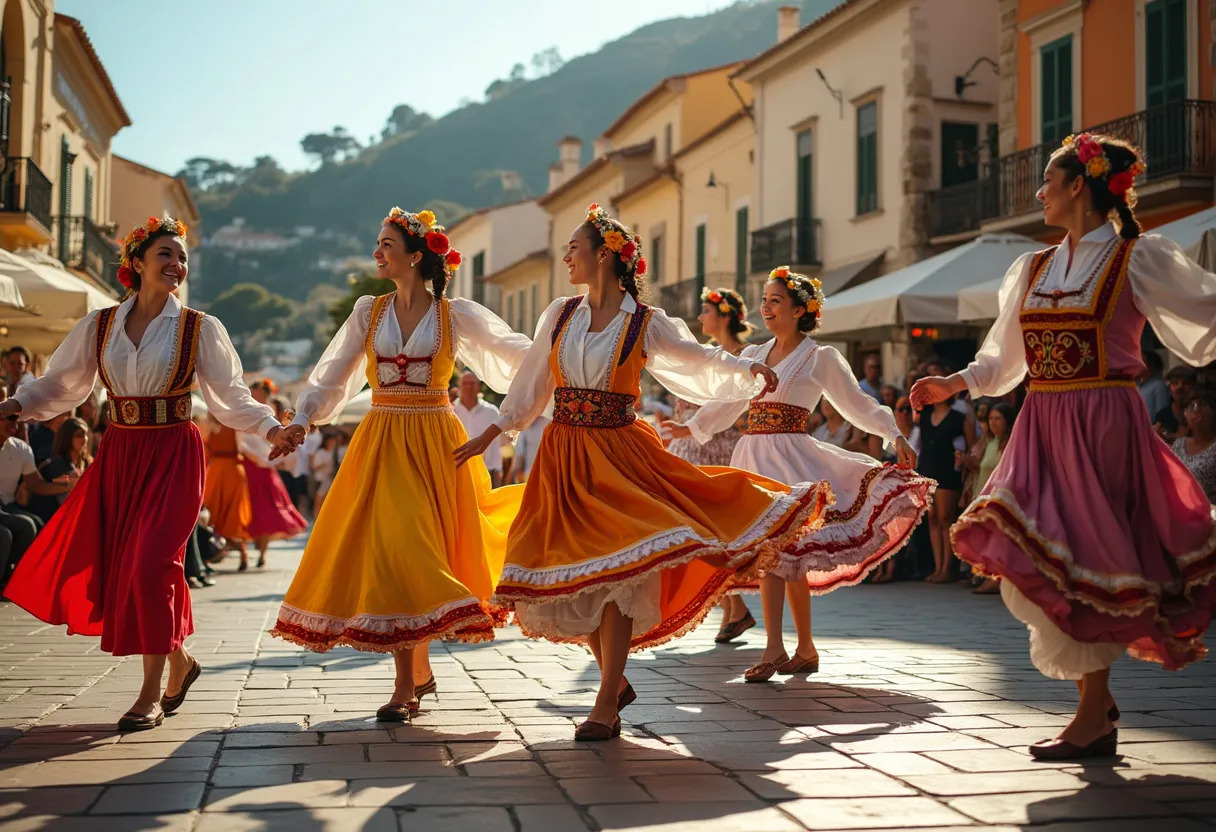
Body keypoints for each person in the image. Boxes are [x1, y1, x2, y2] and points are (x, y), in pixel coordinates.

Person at [454, 204, 833, 740]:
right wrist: (495, 431)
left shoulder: (644, 322)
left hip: (620, 453)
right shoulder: (560, 314)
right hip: (563, 456)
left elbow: (694, 359)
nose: (566, 256)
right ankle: (614, 679)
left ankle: (607, 696)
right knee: (562, 571)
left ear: (604, 256)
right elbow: (534, 380)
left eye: (575, 248)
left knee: (621, 572)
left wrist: (744, 369)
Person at [912, 134, 1216, 760]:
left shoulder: (1137, 258)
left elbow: (1204, 316)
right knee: (1039, 558)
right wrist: (955, 381)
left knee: (1085, 559)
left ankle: (1090, 713)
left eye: (1048, 180)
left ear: (1080, 184)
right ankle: (1094, 704)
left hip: (1104, 423)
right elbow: (1004, 358)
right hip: (1043, 422)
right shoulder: (1035, 268)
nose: (1039, 191)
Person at [1, 216, 299, 732]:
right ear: (136, 263)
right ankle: (180, 663)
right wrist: (15, 404)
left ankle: (150, 695)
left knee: (152, 564)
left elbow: (229, 397)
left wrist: (272, 429)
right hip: (120, 452)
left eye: (182, 257)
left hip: (174, 453)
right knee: (128, 566)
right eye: (166, 254)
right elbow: (61, 385)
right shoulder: (99, 325)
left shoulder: (199, 328)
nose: (177, 265)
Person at [270, 207, 532, 722]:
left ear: (416, 256)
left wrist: (559, 355)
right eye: (378, 242)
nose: (377, 251)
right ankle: (406, 683)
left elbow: (516, 356)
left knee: (420, 547)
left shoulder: (455, 315)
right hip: (383, 436)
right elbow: (335, 375)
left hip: (437, 439)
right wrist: (303, 419)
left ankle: (413, 676)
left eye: (386, 243)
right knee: (397, 548)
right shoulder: (368, 311)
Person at [667, 267, 931, 680]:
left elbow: (855, 402)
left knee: (784, 554)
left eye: (775, 301)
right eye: (765, 300)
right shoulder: (753, 355)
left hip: (791, 456)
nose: (766, 307)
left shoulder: (819, 357)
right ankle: (793, 648)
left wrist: (892, 433)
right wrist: (693, 427)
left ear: (798, 310)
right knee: (773, 554)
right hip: (753, 455)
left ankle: (787, 648)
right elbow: (729, 401)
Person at [664, 287, 754, 644]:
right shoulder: (709, 356)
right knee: (704, 530)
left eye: (705, 311)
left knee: (717, 530)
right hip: (693, 446)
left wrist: (690, 423)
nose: (700, 317)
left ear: (725, 315)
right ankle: (733, 607)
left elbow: (730, 405)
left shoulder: (743, 356)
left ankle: (736, 607)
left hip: (719, 447)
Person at [240, 380, 308, 567]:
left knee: (266, 512)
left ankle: (262, 553)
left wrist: (272, 458)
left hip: (265, 470)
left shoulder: (271, 414)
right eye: (254, 393)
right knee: (245, 512)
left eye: (260, 394)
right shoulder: (244, 410)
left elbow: (276, 438)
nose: (257, 397)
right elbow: (240, 439)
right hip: (248, 468)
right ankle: (244, 554)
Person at [956, 402, 1016, 595]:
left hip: (1000, 499)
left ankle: (998, 579)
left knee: (999, 540)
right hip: (982, 495)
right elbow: (981, 469)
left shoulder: (1012, 444)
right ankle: (986, 575)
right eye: (991, 418)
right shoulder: (989, 443)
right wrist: (966, 460)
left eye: (998, 418)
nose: (993, 423)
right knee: (986, 540)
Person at [916, 392, 968, 583]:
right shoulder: (924, 417)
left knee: (946, 517)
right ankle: (938, 567)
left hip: (947, 471)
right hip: (928, 468)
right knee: (933, 518)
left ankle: (948, 567)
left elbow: (969, 445)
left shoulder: (958, 418)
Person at [202, 419, 253, 571]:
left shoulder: (233, 425)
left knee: (229, 511)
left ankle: (238, 552)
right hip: (223, 471)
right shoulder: (211, 424)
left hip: (225, 471)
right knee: (214, 510)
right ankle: (209, 555)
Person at [28, 417, 91, 523]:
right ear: (67, 438)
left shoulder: (85, 462)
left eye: (85, 434)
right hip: (51, 519)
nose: (84, 439)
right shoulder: (58, 465)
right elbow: (66, 501)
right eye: (78, 435)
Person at [453, 371, 506, 488]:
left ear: (478, 387)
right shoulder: (451, 412)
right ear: (459, 386)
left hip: (490, 471)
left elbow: (503, 441)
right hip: (460, 473)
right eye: (465, 383)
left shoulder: (492, 412)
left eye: (472, 383)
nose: (468, 387)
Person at [1172, 388, 1216, 503]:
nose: (1196, 410)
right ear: (1185, 414)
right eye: (1191, 406)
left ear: (1213, 411)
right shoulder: (1178, 444)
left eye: (1201, 405)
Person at [1153, 365, 1197, 442]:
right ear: (1169, 389)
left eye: (1186, 383)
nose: (1179, 387)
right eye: (1175, 383)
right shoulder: (1162, 416)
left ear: (1194, 387)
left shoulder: (1202, 413)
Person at [510, 415, 548, 484]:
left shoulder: (524, 427)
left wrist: (513, 474)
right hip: (549, 476)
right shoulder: (550, 424)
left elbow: (519, 456)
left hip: (530, 476)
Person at [311, 431, 339, 515]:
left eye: (333, 441)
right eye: (330, 441)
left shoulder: (335, 453)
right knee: (319, 501)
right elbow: (315, 467)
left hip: (331, 480)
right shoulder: (320, 452)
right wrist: (325, 464)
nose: (332, 443)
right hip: (321, 479)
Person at [1138, 350, 1170, 419]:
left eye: (1141, 362)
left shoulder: (1159, 386)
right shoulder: (1139, 386)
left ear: (1150, 366)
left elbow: (1162, 413)